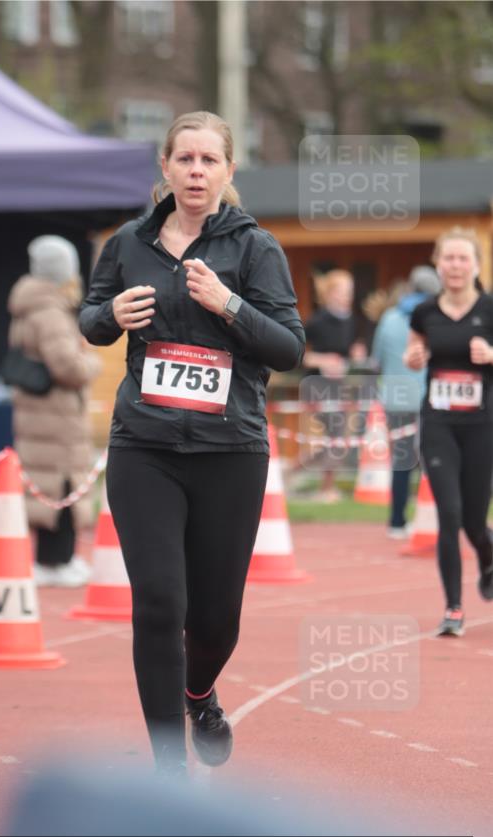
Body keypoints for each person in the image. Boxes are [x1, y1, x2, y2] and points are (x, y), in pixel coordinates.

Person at [79, 110, 305, 774]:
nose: (196, 171)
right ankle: (167, 773)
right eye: (185, 159)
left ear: (229, 170)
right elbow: (91, 320)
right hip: (143, 445)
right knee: (157, 603)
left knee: (214, 619)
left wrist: (227, 304)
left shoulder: (255, 248)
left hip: (229, 451)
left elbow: (288, 349)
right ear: (166, 167)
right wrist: (108, 314)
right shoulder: (128, 242)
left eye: (209, 160)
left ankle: (199, 692)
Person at [404, 228, 493, 637]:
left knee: (474, 521)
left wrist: (490, 355)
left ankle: (488, 556)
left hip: (482, 426)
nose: (455, 265)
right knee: (449, 513)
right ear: (438, 264)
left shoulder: (489, 308)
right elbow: (413, 353)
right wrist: (414, 357)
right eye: (448, 258)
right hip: (439, 422)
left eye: (462, 258)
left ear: (476, 265)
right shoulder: (424, 311)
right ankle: (453, 608)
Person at [8, 235, 101, 587]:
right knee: (62, 485)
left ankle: (59, 557)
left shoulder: (29, 304)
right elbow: (67, 366)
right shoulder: (50, 312)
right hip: (56, 415)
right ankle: (55, 561)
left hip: (40, 413)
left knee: (49, 485)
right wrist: (92, 363)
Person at [371, 266, 441, 538]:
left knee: (401, 462)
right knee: (434, 462)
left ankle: (397, 522)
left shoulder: (389, 317)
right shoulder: (435, 318)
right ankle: (432, 520)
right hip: (428, 398)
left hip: (395, 399)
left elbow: (376, 360)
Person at [303, 270, 367, 502]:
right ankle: (325, 488)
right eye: (341, 292)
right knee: (336, 437)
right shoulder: (316, 321)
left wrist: (356, 355)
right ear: (329, 293)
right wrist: (323, 360)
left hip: (339, 387)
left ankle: (295, 470)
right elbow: (299, 355)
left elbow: (349, 353)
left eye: (349, 292)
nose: (346, 297)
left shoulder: (351, 321)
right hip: (316, 387)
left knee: (337, 439)